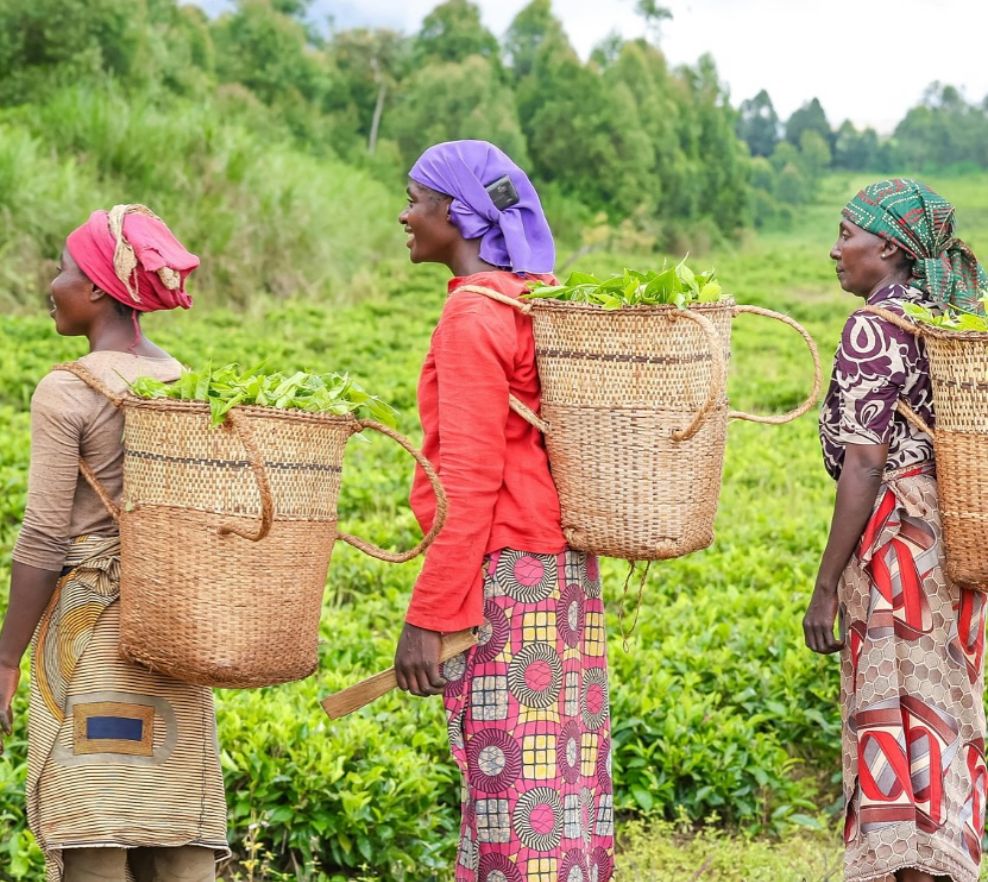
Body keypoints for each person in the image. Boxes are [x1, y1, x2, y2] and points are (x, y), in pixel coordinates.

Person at [393, 140, 614, 882]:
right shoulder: (533, 298)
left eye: (416, 202)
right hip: (565, 579)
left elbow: (470, 481)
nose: (405, 216)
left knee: (514, 802)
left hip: (510, 583)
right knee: (561, 792)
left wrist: (429, 617)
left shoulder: (470, 318)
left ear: (456, 216)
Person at [0, 205, 229, 882]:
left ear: (98, 287)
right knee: (175, 837)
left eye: (67, 267)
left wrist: (6, 660)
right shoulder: (182, 379)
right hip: (171, 633)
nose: (53, 280)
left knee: (96, 838)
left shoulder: (66, 389)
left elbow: (43, 538)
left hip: (89, 642)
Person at [804, 179, 988, 882]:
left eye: (848, 234)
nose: (836, 249)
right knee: (941, 718)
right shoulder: (950, 319)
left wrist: (825, 586)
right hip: (957, 542)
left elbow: (864, 463)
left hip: (899, 553)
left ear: (887, 247)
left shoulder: (875, 327)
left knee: (899, 719)